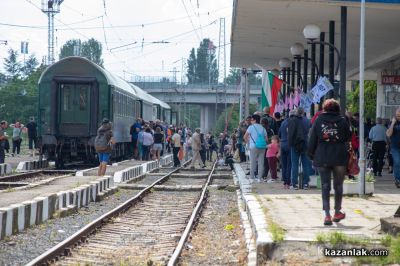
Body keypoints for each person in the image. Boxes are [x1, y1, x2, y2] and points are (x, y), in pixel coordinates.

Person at [307, 99, 351, 226]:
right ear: (337, 109)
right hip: (339, 156)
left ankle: (327, 215)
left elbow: (312, 139)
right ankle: (337, 212)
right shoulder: (343, 120)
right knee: (338, 186)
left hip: (323, 156)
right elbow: (348, 137)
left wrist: (311, 154)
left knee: (325, 186)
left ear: (324, 109)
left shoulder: (318, 120)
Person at [288, 107, 311, 189]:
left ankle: (294, 184)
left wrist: (290, 144)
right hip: (305, 144)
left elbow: (290, 134)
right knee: (306, 164)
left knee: (294, 164)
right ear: (303, 112)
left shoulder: (292, 120)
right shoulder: (307, 121)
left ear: (296, 112)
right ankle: (306, 184)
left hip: (295, 145)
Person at [244, 114, 268, 182]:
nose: (251, 121)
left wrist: (248, 143)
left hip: (253, 146)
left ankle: (252, 178)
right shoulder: (263, 128)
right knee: (261, 163)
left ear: (254, 120)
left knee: (253, 162)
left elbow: (245, 137)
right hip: (262, 147)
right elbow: (266, 139)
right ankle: (259, 178)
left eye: (251, 120)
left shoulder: (251, 127)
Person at [386, 107, 400, 188]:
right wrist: (392, 124)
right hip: (395, 147)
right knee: (397, 162)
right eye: (397, 115)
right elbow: (388, 134)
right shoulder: (393, 123)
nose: (398, 117)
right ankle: (397, 180)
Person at [279, 110, 293, 189]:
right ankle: (288, 182)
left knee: (284, 164)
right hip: (290, 144)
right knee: (289, 164)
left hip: (283, 144)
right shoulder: (292, 122)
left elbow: (279, 134)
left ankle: (284, 181)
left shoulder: (283, 122)